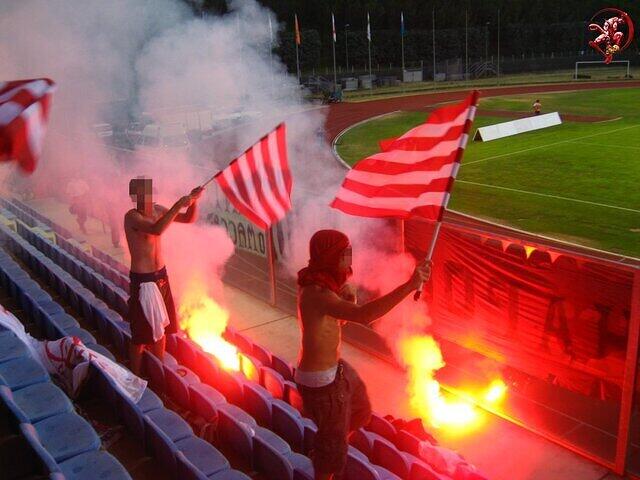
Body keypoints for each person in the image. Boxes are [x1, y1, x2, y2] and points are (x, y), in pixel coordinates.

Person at [296, 230, 432, 480]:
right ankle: (328, 453)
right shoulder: (319, 293)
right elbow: (364, 316)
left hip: (332, 371)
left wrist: (347, 296)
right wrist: (410, 285)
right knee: (332, 454)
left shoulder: (321, 285)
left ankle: (331, 438)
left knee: (360, 410)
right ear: (330, 256)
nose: (349, 256)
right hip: (321, 383)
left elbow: (337, 318)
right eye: (344, 252)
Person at [124, 177, 203, 375]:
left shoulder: (159, 209)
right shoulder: (132, 217)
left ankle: (158, 371)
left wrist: (193, 202)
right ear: (134, 197)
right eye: (141, 195)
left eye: (148, 193)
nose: (146, 198)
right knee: (141, 335)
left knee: (162, 328)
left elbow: (187, 219)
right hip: (144, 280)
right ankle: (136, 375)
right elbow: (156, 230)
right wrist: (179, 204)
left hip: (161, 276)